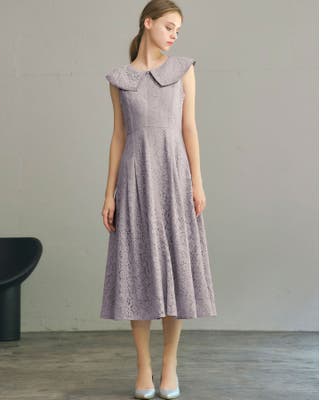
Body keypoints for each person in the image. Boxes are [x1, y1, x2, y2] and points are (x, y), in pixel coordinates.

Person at [100, 0, 217, 398]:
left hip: (174, 176)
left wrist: (197, 183)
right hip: (135, 180)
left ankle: (169, 365)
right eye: (169, 26)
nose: (173, 35)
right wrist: (109, 193)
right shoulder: (120, 79)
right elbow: (119, 136)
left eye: (178, 30)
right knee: (138, 268)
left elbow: (190, 128)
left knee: (175, 268)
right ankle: (143, 368)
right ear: (147, 23)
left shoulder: (183, 69)